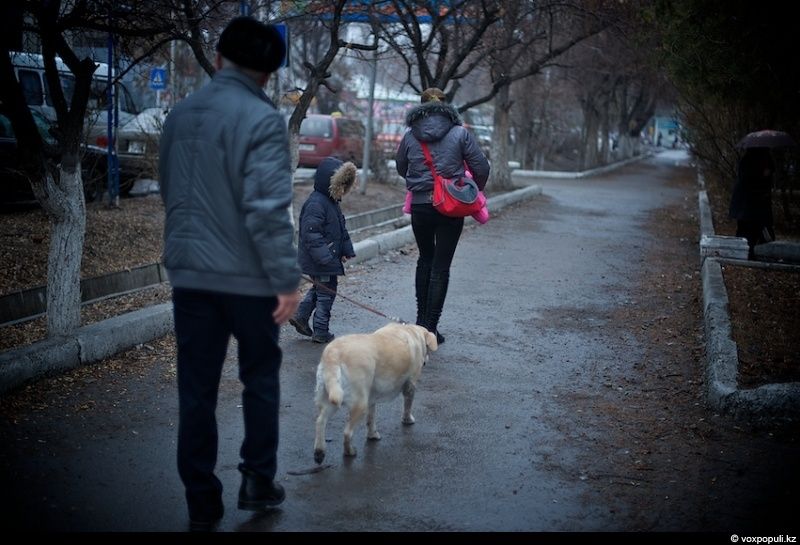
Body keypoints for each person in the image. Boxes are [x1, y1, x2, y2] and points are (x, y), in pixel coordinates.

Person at [158, 16, 301, 531]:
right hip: (247, 280)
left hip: (190, 278)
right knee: (259, 377)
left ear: (218, 59)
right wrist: (286, 279)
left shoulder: (180, 114)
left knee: (195, 390)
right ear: (267, 74)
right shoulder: (262, 120)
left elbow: (168, 187)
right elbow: (267, 209)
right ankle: (258, 480)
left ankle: (202, 503)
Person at [395, 87, 490, 344]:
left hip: (420, 206)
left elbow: (401, 167)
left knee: (425, 258)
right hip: (451, 206)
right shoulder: (460, 133)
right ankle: (430, 329)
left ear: (420, 106)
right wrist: (471, 190)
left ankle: (420, 323)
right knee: (441, 266)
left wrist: (420, 182)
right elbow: (481, 167)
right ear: (447, 107)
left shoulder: (410, 135)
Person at [289, 157, 357, 343]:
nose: (343, 189)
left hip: (327, 258)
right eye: (341, 184)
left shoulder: (332, 202)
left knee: (321, 288)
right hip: (320, 260)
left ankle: (301, 316)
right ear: (331, 183)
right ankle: (321, 330)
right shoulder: (316, 204)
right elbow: (311, 235)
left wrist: (346, 250)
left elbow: (340, 231)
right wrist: (326, 258)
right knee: (327, 294)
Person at [729, 146, 775, 258]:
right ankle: (747, 253)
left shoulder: (749, 158)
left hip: (746, 204)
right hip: (750, 204)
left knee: (747, 229)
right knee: (750, 229)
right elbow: (751, 181)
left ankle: (745, 252)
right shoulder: (756, 160)